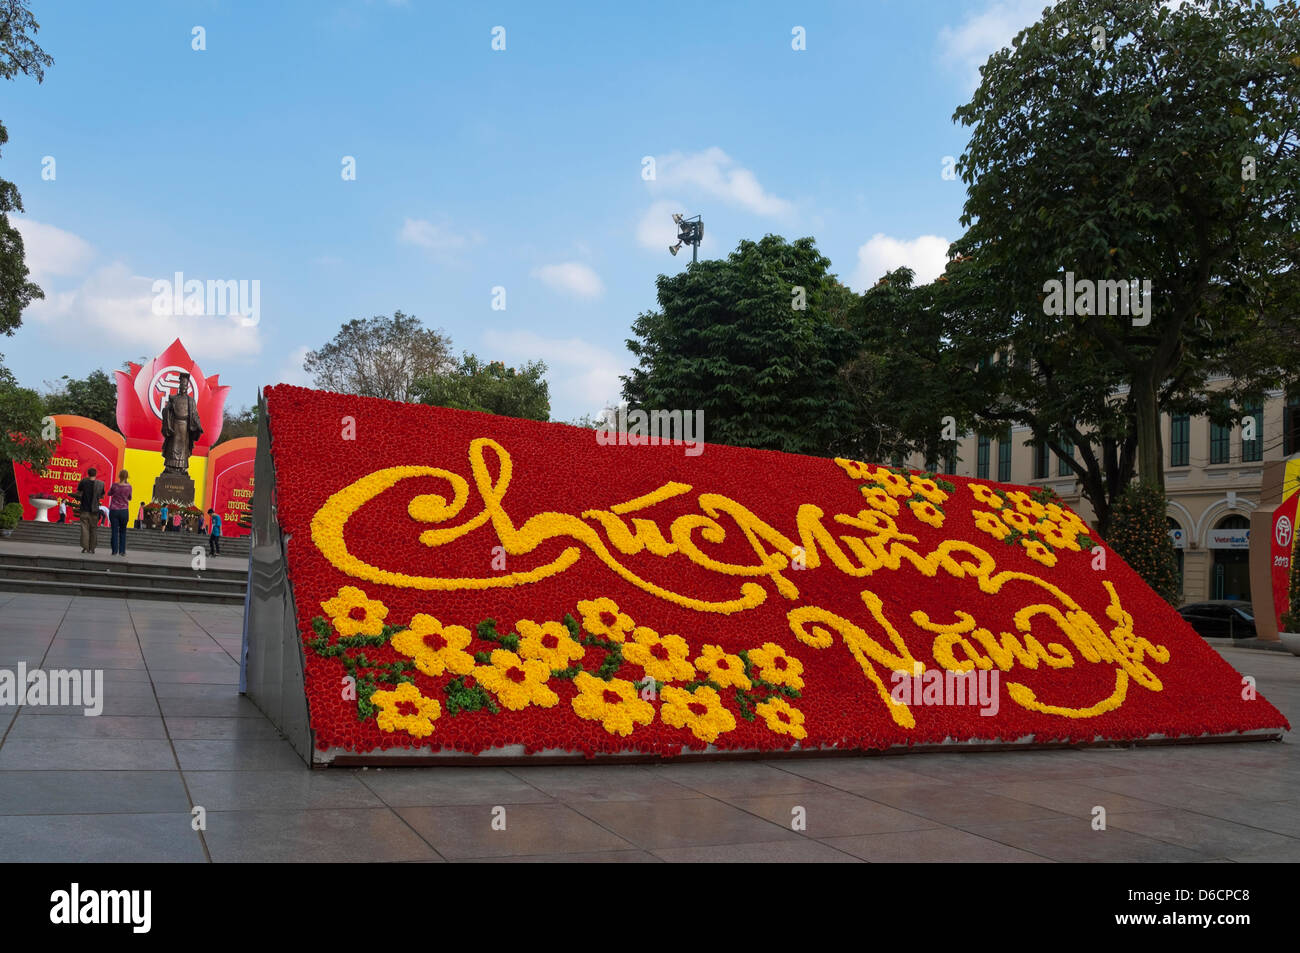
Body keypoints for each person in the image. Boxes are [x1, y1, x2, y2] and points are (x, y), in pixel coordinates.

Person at [75, 467, 105, 554]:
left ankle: (85, 547)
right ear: (96, 474)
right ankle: (92, 548)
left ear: (88, 474)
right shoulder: (100, 484)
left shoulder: (83, 482)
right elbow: (102, 495)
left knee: (85, 529)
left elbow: (79, 492)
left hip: (84, 509)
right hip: (95, 510)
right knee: (93, 529)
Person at [108, 470, 132, 556]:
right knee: (123, 531)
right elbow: (130, 498)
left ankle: (114, 551)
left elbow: (109, 493)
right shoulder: (129, 487)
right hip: (124, 511)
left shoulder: (115, 486)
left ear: (119, 476)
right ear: (127, 477)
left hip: (114, 510)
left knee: (114, 531)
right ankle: (122, 551)